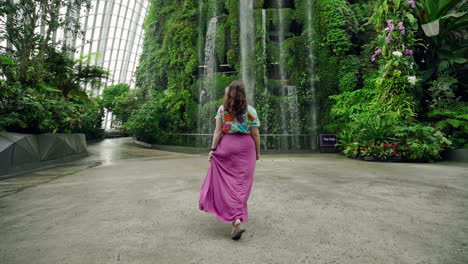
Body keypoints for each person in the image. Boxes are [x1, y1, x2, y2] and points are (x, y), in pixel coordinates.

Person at [198, 80, 261, 240]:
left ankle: (236, 220)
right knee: (242, 185)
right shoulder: (251, 111)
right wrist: (258, 152)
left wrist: (213, 150)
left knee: (227, 184)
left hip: (227, 146)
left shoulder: (222, 109)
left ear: (229, 94)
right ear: (243, 94)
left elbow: (218, 131)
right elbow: (255, 134)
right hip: (247, 148)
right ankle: (237, 219)